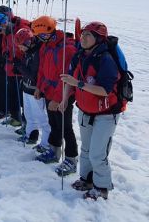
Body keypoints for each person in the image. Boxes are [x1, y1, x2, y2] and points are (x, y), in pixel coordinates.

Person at [60, 22, 120, 200]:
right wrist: (64, 99)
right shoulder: (79, 55)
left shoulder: (106, 59)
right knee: (86, 149)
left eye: (88, 35)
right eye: (83, 34)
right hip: (85, 110)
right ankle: (86, 179)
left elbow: (105, 90)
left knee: (97, 153)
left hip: (106, 113)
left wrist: (78, 84)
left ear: (98, 39)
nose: (83, 37)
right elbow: (69, 80)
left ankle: (102, 188)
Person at [32, 15, 78, 177]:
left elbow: (67, 77)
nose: (42, 39)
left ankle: (71, 159)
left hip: (64, 94)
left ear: (52, 31)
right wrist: (39, 88)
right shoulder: (46, 46)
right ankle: (54, 151)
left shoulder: (67, 49)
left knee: (66, 128)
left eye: (44, 35)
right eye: (39, 36)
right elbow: (42, 70)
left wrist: (58, 99)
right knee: (54, 124)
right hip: (49, 92)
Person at [14, 28, 50, 147]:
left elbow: (33, 74)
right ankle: (31, 135)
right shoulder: (29, 52)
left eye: (21, 45)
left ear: (28, 43)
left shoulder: (38, 53)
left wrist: (19, 65)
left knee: (41, 118)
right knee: (29, 115)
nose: (20, 48)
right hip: (26, 87)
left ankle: (45, 143)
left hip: (35, 90)